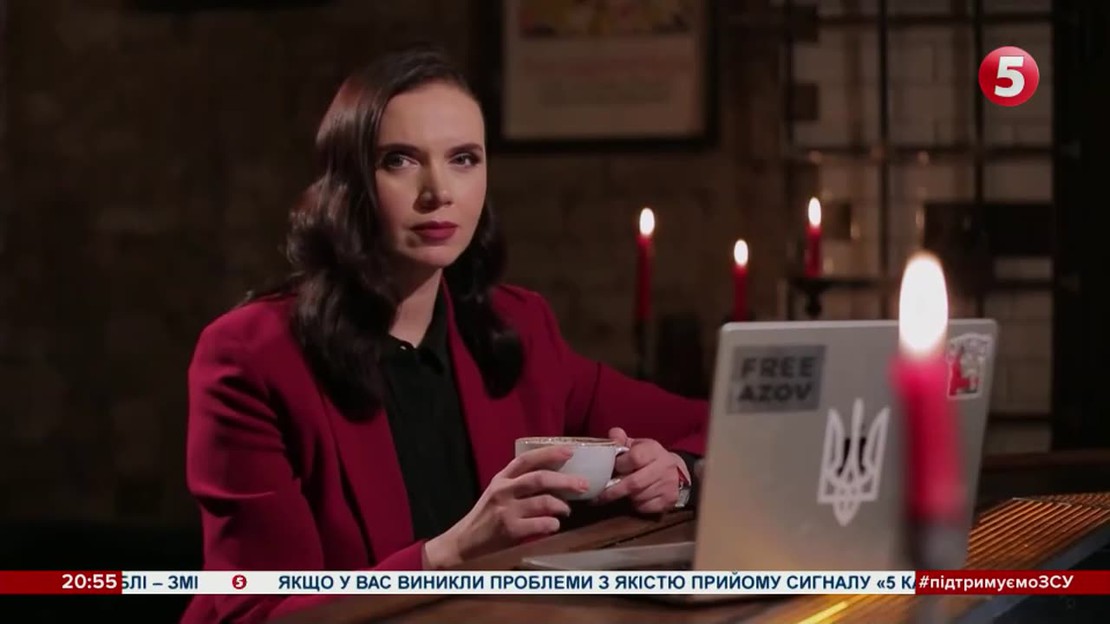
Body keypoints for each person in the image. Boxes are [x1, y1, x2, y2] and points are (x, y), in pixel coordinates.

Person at [182, 44, 708, 624]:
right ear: (347, 184)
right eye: (400, 160)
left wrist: (676, 472)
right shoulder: (251, 356)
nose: (439, 192)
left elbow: (713, 427)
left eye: (463, 159)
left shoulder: (515, 327)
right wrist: (449, 554)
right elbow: (258, 610)